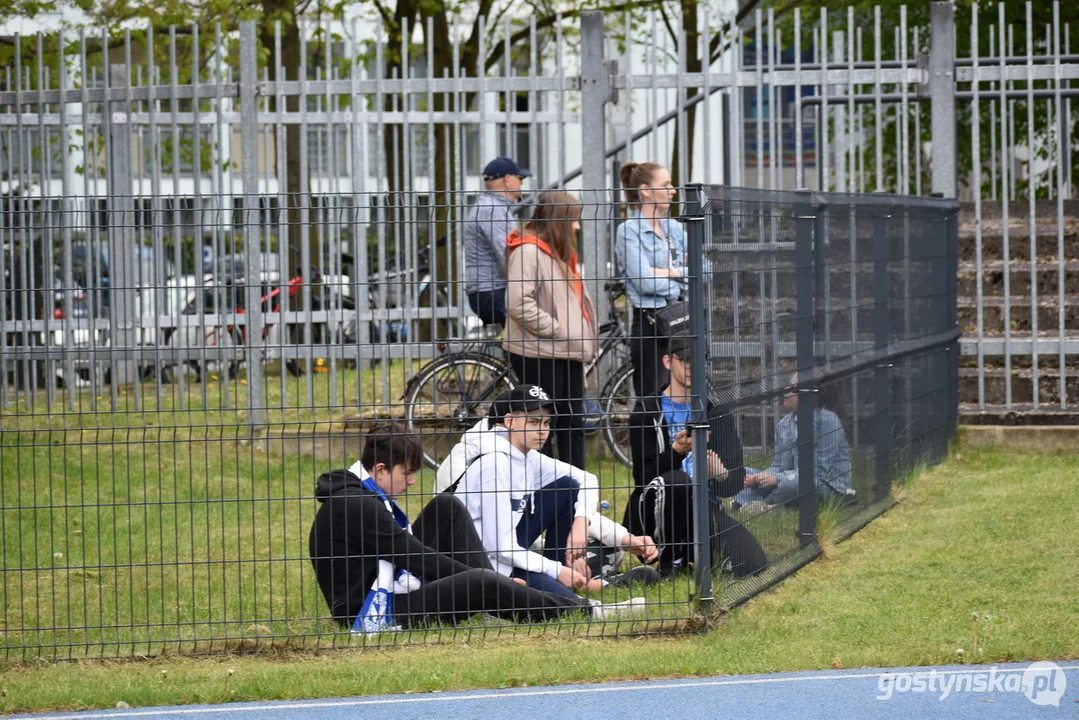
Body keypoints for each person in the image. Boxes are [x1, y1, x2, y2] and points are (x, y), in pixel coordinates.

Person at [308, 423, 644, 632]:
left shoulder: (360, 493)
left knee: (446, 506)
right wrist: (489, 579)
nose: (411, 482)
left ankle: (496, 601)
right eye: (406, 473)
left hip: (390, 587)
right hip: (375, 611)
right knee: (481, 581)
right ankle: (588, 612)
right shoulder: (357, 506)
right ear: (380, 470)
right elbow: (415, 557)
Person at [435, 389, 660, 584]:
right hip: (477, 558)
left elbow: (577, 487)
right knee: (554, 580)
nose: (542, 430)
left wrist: (622, 537)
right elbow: (495, 544)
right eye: (533, 421)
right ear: (508, 423)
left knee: (606, 545)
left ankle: (565, 574)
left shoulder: (525, 455)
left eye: (545, 422)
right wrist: (554, 568)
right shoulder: (480, 464)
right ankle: (581, 582)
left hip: (515, 545)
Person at [625, 333, 768, 578]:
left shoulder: (716, 410)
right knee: (678, 480)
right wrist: (676, 452)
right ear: (668, 362)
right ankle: (670, 559)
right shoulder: (647, 410)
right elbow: (643, 478)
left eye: (699, 361)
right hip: (656, 514)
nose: (693, 368)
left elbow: (733, 482)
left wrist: (721, 475)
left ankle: (692, 551)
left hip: (703, 511)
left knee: (754, 562)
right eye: (686, 361)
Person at [503, 190, 596, 470]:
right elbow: (518, 303)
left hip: (566, 351)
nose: (577, 227)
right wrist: (556, 328)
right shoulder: (528, 251)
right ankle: (547, 487)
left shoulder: (557, 254)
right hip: (540, 351)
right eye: (573, 220)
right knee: (545, 426)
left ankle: (577, 486)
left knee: (572, 422)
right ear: (558, 221)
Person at [614, 161, 685, 400]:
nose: (673, 190)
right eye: (665, 185)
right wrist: (681, 275)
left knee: (684, 395)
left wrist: (663, 272)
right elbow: (644, 283)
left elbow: (705, 270)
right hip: (649, 321)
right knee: (652, 399)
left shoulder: (675, 228)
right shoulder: (629, 231)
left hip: (680, 319)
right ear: (645, 190)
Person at [733, 373, 854, 510]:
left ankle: (765, 504)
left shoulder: (828, 421)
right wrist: (760, 477)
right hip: (789, 479)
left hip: (827, 484)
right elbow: (779, 465)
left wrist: (777, 479)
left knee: (794, 484)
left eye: (791, 387)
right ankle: (764, 501)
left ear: (807, 393)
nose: (786, 391)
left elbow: (817, 472)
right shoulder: (784, 424)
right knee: (741, 473)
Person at [463, 156, 530, 326]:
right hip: (492, 292)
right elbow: (507, 253)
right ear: (507, 179)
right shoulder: (491, 209)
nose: (521, 183)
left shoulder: (495, 207)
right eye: (519, 178)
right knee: (534, 332)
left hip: (492, 290)